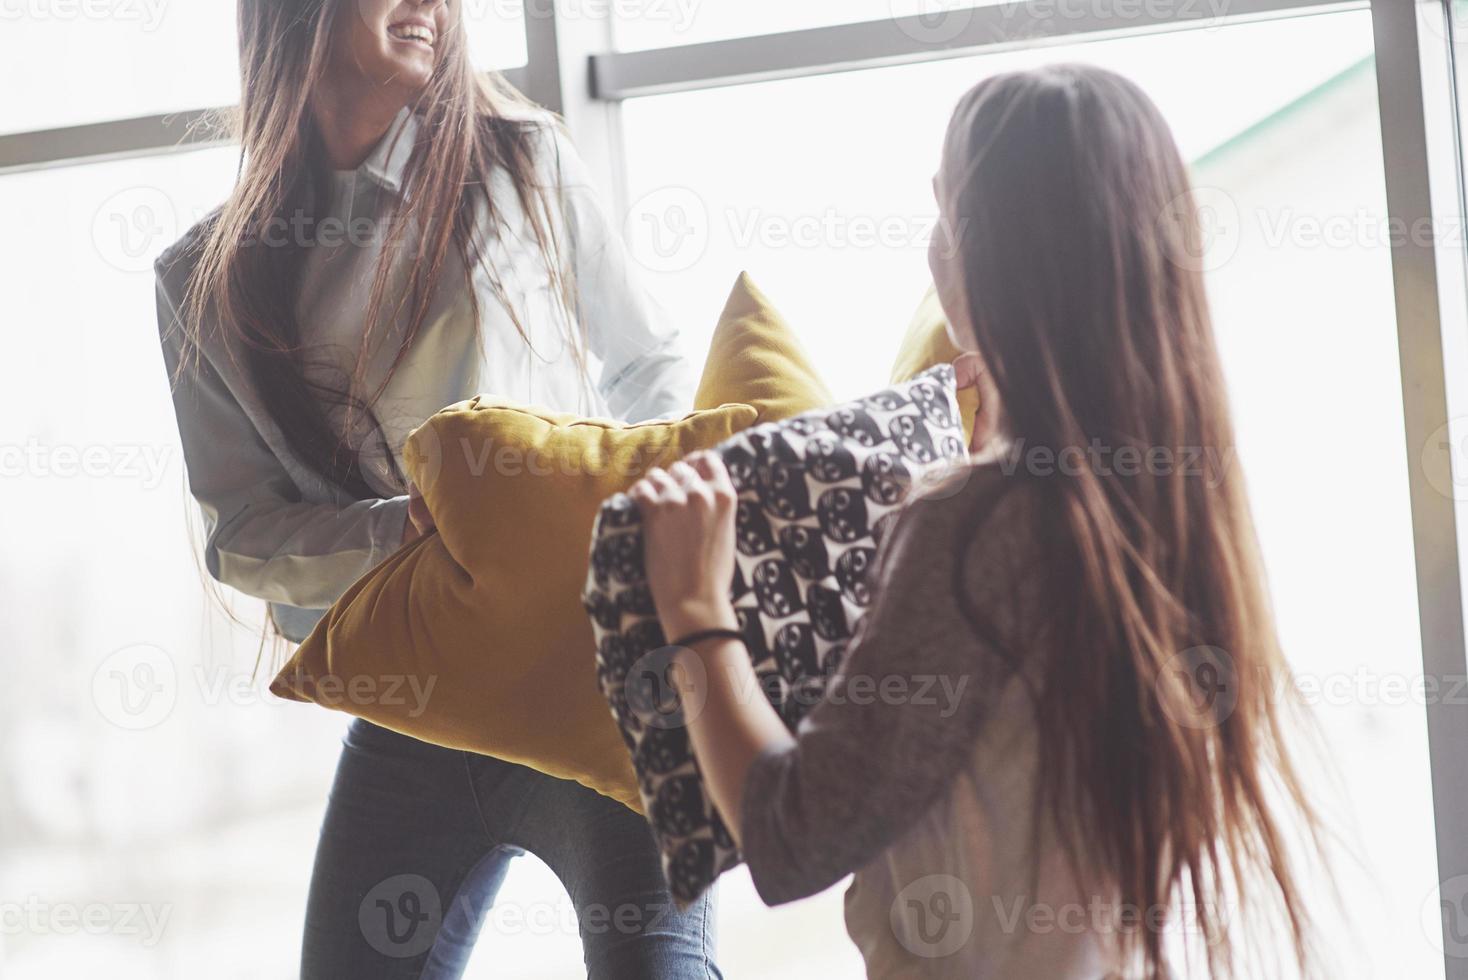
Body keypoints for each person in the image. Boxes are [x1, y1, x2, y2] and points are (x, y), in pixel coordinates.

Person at [631, 64, 1324, 979]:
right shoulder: (1180, 509)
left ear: (998, 261)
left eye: (947, 215)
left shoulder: (974, 528)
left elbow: (792, 839)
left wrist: (693, 608)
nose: (932, 249)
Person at [154, 1, 719, 976]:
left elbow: (654, 371)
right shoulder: (201, 276)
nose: (429, 4)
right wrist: (402, 531)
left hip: (593, 674)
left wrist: (638, 532)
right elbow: (241, 532)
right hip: (412, 703)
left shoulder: (523, 164)